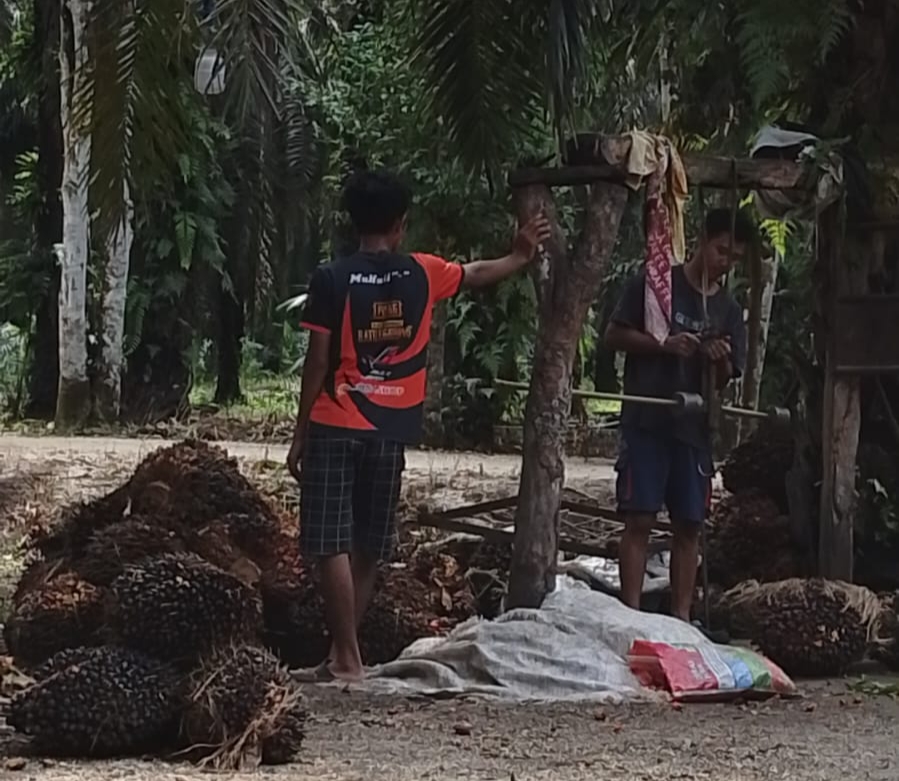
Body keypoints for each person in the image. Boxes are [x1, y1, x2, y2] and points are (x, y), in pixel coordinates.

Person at [287, 169, 551, 682]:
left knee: (327, 541)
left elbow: (317, 362)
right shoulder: (423, 273)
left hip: (336, 421)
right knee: (367, 542)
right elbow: (474, 272)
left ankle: (345, 656)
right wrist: (520, 256)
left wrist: (300, 431)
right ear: (401, 225)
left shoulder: (331, 278)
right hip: (391, 427)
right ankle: (345, 654)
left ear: (353, 221)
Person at [603, 207, 753, 626]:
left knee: (689, 525)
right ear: (702, 240)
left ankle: (681, 619)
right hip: (648, 422)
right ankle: (630, 618)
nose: (726, 262)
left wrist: (718, 360)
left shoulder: (728, 309)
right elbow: (613, 335)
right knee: (640, 519)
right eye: (722, 250)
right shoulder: (655, 286)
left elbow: (726, 379)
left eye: (735, 257)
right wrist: (664, 344)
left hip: (693, 432)